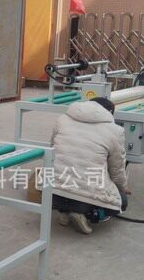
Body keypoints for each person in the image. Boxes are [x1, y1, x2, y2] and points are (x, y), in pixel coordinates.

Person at [50, 96, 127, 234]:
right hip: (83, 195)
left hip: (52, 190)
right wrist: (121, 188)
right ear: (110, 112)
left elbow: (51, 148)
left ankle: (64, 212)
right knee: (122, 201)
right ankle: (85, 214)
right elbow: (117, 170)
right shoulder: (116, 131)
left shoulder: (62, 119)